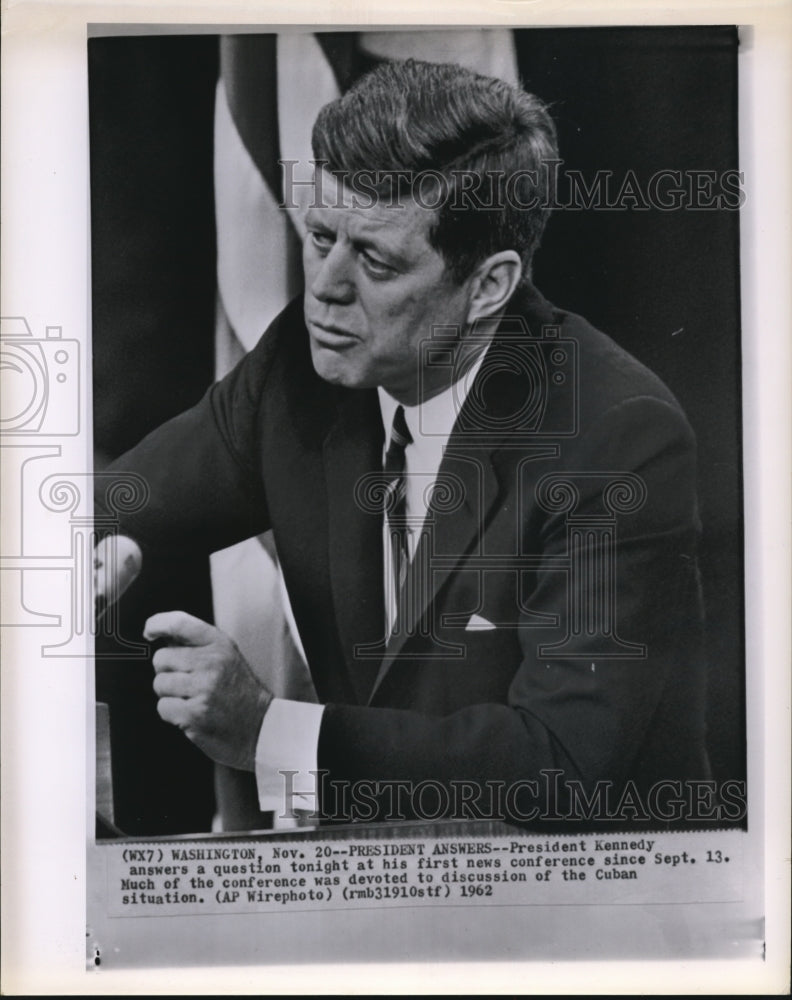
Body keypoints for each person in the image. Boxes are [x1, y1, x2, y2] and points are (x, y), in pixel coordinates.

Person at [96, 59, 710, 828]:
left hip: (582, 906)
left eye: (376, 260)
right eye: (321, 236)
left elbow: (560, 763)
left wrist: (268, 733)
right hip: (379, 890)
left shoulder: (619, 435)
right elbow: (118, 504)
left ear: (488, 285)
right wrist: (84, 555)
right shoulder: (305, 364)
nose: (324, 286)